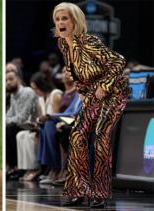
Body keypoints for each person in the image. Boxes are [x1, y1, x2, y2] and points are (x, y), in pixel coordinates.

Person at [53, 3, 129, 208]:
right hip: (93, 94)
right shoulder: (63, 44)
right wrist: (82, 93)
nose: (61, 22)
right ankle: (79, 190)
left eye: (65, 18)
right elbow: (74, 73)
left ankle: (100, 193)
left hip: (113, 92)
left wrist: (105, 84)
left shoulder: (88, 41)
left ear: (75, 21)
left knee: (101, 138)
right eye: (58, 19)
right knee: (77, 135)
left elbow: (118, 61)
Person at [16, 72, 62, 181]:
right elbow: (42, 116)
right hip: (44, 127)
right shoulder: (40, 99)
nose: (35, 91)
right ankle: (29, 168)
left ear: (42, 85)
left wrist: (43, 120)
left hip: (54, 126)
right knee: (21, 134)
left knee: (48, 127)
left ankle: (53, 167)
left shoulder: (56, 95)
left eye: (36, 88)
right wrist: (37, 122)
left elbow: (57, 115)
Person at [6, 68, 39, 180]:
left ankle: (18, 166)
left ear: (19, 81)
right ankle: (12, 166)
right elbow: (9, 114)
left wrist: (7, 120)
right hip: (22, 125)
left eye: (11, 79)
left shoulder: (27, 92)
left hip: (33, 124)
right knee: (8, 127)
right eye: (6, 80)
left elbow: (22, 117)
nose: (8, 83)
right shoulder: (13, 95)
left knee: (10, 128)